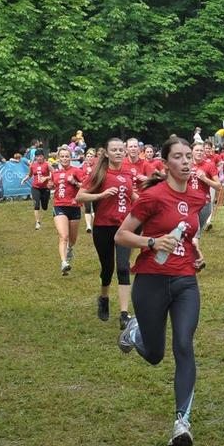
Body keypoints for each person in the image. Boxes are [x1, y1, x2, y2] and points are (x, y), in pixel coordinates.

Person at [114, 137, 206, 446]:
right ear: (165, 164)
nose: (185, 162)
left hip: (185, 282)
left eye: (188, 156)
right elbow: (121, 235)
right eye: (178, 157)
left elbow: (188, 235)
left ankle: (182, 422)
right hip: (151, 281)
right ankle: (134, 331)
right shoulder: (152, 197)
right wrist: (152, 242)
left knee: (184, 344)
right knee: (155, 355)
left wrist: (195, 253)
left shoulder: (197, 197)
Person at [76, 138, 138, 328]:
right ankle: (104, 298)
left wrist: (147, 203)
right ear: (107, 153)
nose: (118, 153)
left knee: (123, 268)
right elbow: (80, 196)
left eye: (121, 150)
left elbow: (131, 195)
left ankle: (124, 314)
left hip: (124, 228)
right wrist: (101, 195)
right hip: (103, 227)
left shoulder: (128, 172)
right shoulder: (100, 173)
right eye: (114, 150)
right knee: (107, 268)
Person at [51, 146, 84, 275]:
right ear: (58, 158)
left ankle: (70, 248)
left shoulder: (76, 171)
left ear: (70, 158)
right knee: (63, 236)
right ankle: (64, 262)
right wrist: (49, 185)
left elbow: (86, 186)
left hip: (74, 207)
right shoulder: (55, 173)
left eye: (67, 156)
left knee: (72, 239)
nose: (64, 159)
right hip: (59, 206)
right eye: (62, 156)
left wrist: (74, 182)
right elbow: (53, 186)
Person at [21, 150, 52, 230]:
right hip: (35, 188)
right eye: (37, 156)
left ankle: (45, 206)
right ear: (35, 157)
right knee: (36, 205)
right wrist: (24, 179)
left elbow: (54, 174)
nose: (39, 158)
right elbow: (30, 175)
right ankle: (37, 223)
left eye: (41, 156)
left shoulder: (47, 164)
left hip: (45, 188)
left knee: (44, 207)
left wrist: (46, 178)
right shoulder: (32, 165)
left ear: (43, 156)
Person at [80, 148, 98, 232]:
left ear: (94, 157)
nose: (89, 158)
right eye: (88, 156)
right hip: (86, 188)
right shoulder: (83, 166)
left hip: (95, 188)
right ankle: (88, 226)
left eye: (91, 156)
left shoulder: (97, 166)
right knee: (87, 208)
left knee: (96, 207)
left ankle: (97, 223)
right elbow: (80, 176)